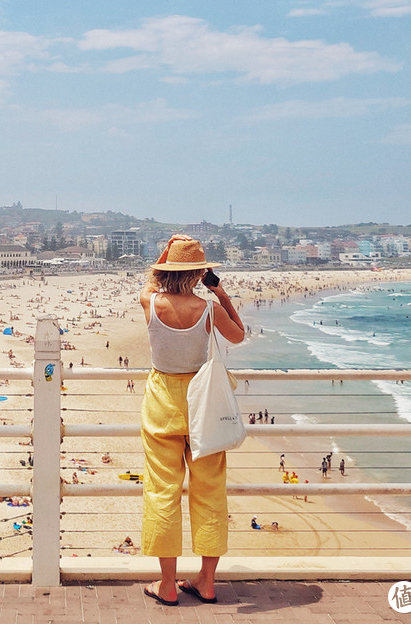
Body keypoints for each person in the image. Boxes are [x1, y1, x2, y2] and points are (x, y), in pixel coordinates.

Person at [137, 236, 245, 606]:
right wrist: (220, 292)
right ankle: (207, 581)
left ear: (167, 268)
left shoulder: (150, 302)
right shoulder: (209, 308)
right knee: (209, 491)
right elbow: (240, 335)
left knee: (162, 491)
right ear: (201, 273)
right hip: (203, 405)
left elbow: (151, 279)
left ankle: (167, 584)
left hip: (163, 401)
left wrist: (168, 251)